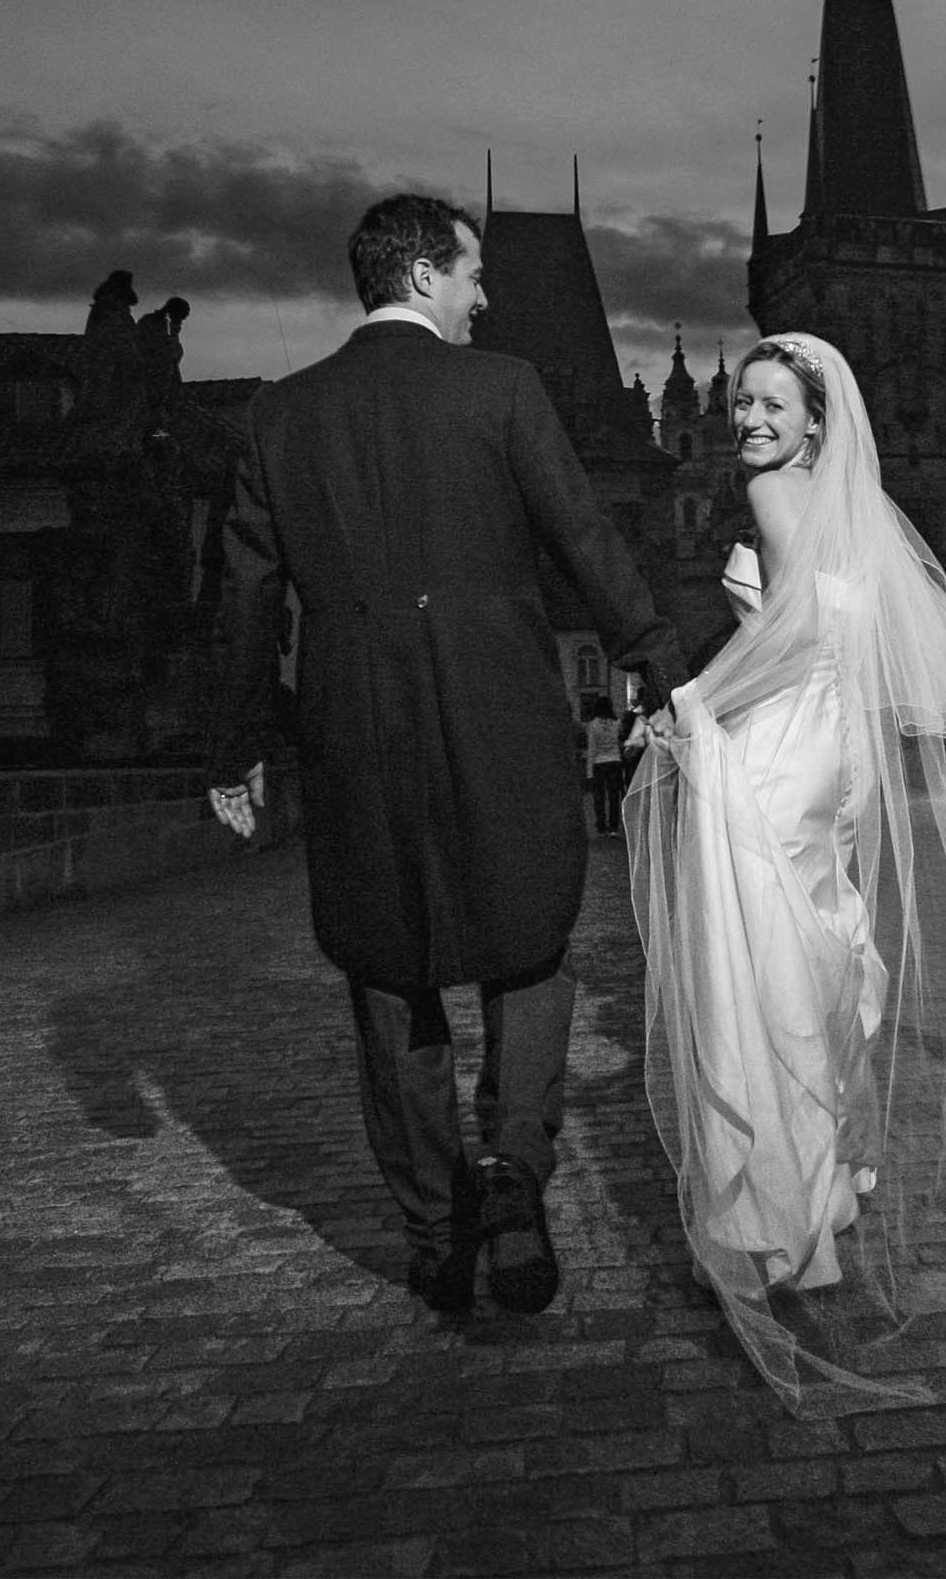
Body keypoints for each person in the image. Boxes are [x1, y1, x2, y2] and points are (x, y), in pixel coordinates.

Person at [209, 192, 686, 1317]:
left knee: (389, 971)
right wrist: (663, 669)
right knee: (528, 948)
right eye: (472, 275)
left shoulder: (281, 415)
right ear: (424, 275)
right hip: (504, 721)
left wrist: (232, 749)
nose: (484, 295)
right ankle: (514, 1168)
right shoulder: (501, 388)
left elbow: (243, 602)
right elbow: (585, 536)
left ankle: (433, 1228)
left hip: (354, 732)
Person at [625, 333, 946, 1415]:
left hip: (780, 753)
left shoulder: (774, 498)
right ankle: (819, 1202)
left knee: (753, 976)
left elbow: (798, 634)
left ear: (812, 421)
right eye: (742, 402)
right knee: (808, 958)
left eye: (769, 405)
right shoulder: (840, 502)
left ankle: (774, 1227)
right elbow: (916, 603)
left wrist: (692, 705)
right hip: (834, 761)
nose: (750, 419)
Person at [586, 695, 623, 834]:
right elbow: (618, 742)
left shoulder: (593, 725)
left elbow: (592, 748)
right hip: (615, 760)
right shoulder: (616, 723)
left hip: (599, 762)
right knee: (614, 795)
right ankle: (614, 826)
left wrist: (589, 771)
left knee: (599, 796)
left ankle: (601, 826)